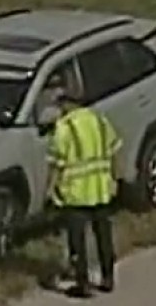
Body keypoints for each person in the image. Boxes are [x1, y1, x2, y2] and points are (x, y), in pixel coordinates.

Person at [47, 83, 120, 298]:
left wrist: (50, 190)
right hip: (101, 189)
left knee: (76, 240)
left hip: (75, 194)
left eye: (61, 103)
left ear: (69, 104)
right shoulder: (100, 121)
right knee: (104, 236)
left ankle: (83, 282)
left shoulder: (64, 128)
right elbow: (114, 151)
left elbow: (56, 163)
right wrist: (114, 179)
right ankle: (108, 277)